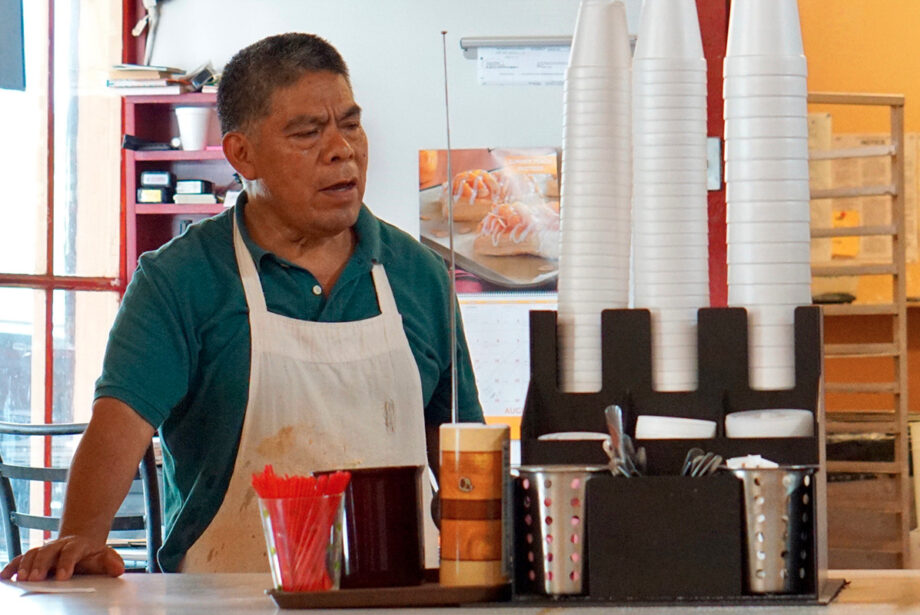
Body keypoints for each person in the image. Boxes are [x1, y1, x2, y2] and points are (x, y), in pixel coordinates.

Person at [1, 32, 482, 581]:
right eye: (307, 132)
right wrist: (80, 541)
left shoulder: (418, 276)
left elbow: (464, 454)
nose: (341, 149)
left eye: (350, 124)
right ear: (240, 153)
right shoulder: (181, 281)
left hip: (402, 595)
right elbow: (119, 428)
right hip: (225, 597)